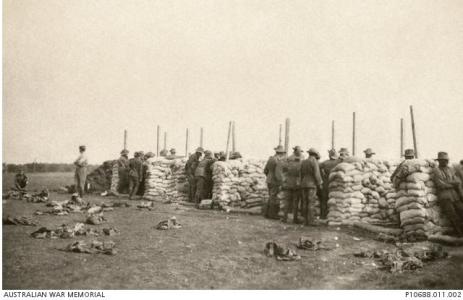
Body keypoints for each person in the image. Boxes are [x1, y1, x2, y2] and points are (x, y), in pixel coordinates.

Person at [432, 152, 463, 236]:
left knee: (461, 210)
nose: (445, 162)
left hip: (454, 196)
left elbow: (458, 181)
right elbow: (440, 185)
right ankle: (460, 234)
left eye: (446, 160)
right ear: (439, 161)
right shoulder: (436, 170)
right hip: (444, 197)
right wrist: (452, 184)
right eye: (443, 160)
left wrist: (449, 183)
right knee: (453, 216)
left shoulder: (451, 169)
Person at [301, 148, 323, 226]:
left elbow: (301, 174)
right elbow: (317, 174)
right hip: (311, 184)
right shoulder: (314, 162)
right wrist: (319, 183)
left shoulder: (304, 162)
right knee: (311, 202)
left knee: (305, 202)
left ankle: (305, 220)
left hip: (303, 184)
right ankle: (311, 221)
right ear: (315, 155)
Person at [264, 145, 286, 219]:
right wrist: (281, 182)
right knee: (274, 197)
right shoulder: (278, 161)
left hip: (269, 180)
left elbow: (265, 170)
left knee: (271, 196)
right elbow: (278, 174)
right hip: (275, 181)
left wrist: (269, 177)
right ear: (281, 153)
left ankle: (267, 213)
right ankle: (272, 214)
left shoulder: (270, 159)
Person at [282, 146, 303, 223]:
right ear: (297, 151)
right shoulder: (301, 160)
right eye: (300, 151)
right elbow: (302, 172)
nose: (300, 153)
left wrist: (285, 180)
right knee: (295, 201)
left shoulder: (288, 159)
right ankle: (295, 218)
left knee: (287, 201)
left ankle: (285, 218)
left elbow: (284, 169)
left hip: (288, 182)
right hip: (297, 183)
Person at [319, 149, 340, 219]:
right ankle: (333, 215)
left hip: (326, 182)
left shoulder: (325, 163)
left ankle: (323, 215)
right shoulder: (338, 162)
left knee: (324, 200)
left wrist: (322, 175)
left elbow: (318, 168)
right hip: (335, 183)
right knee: (334, 199)